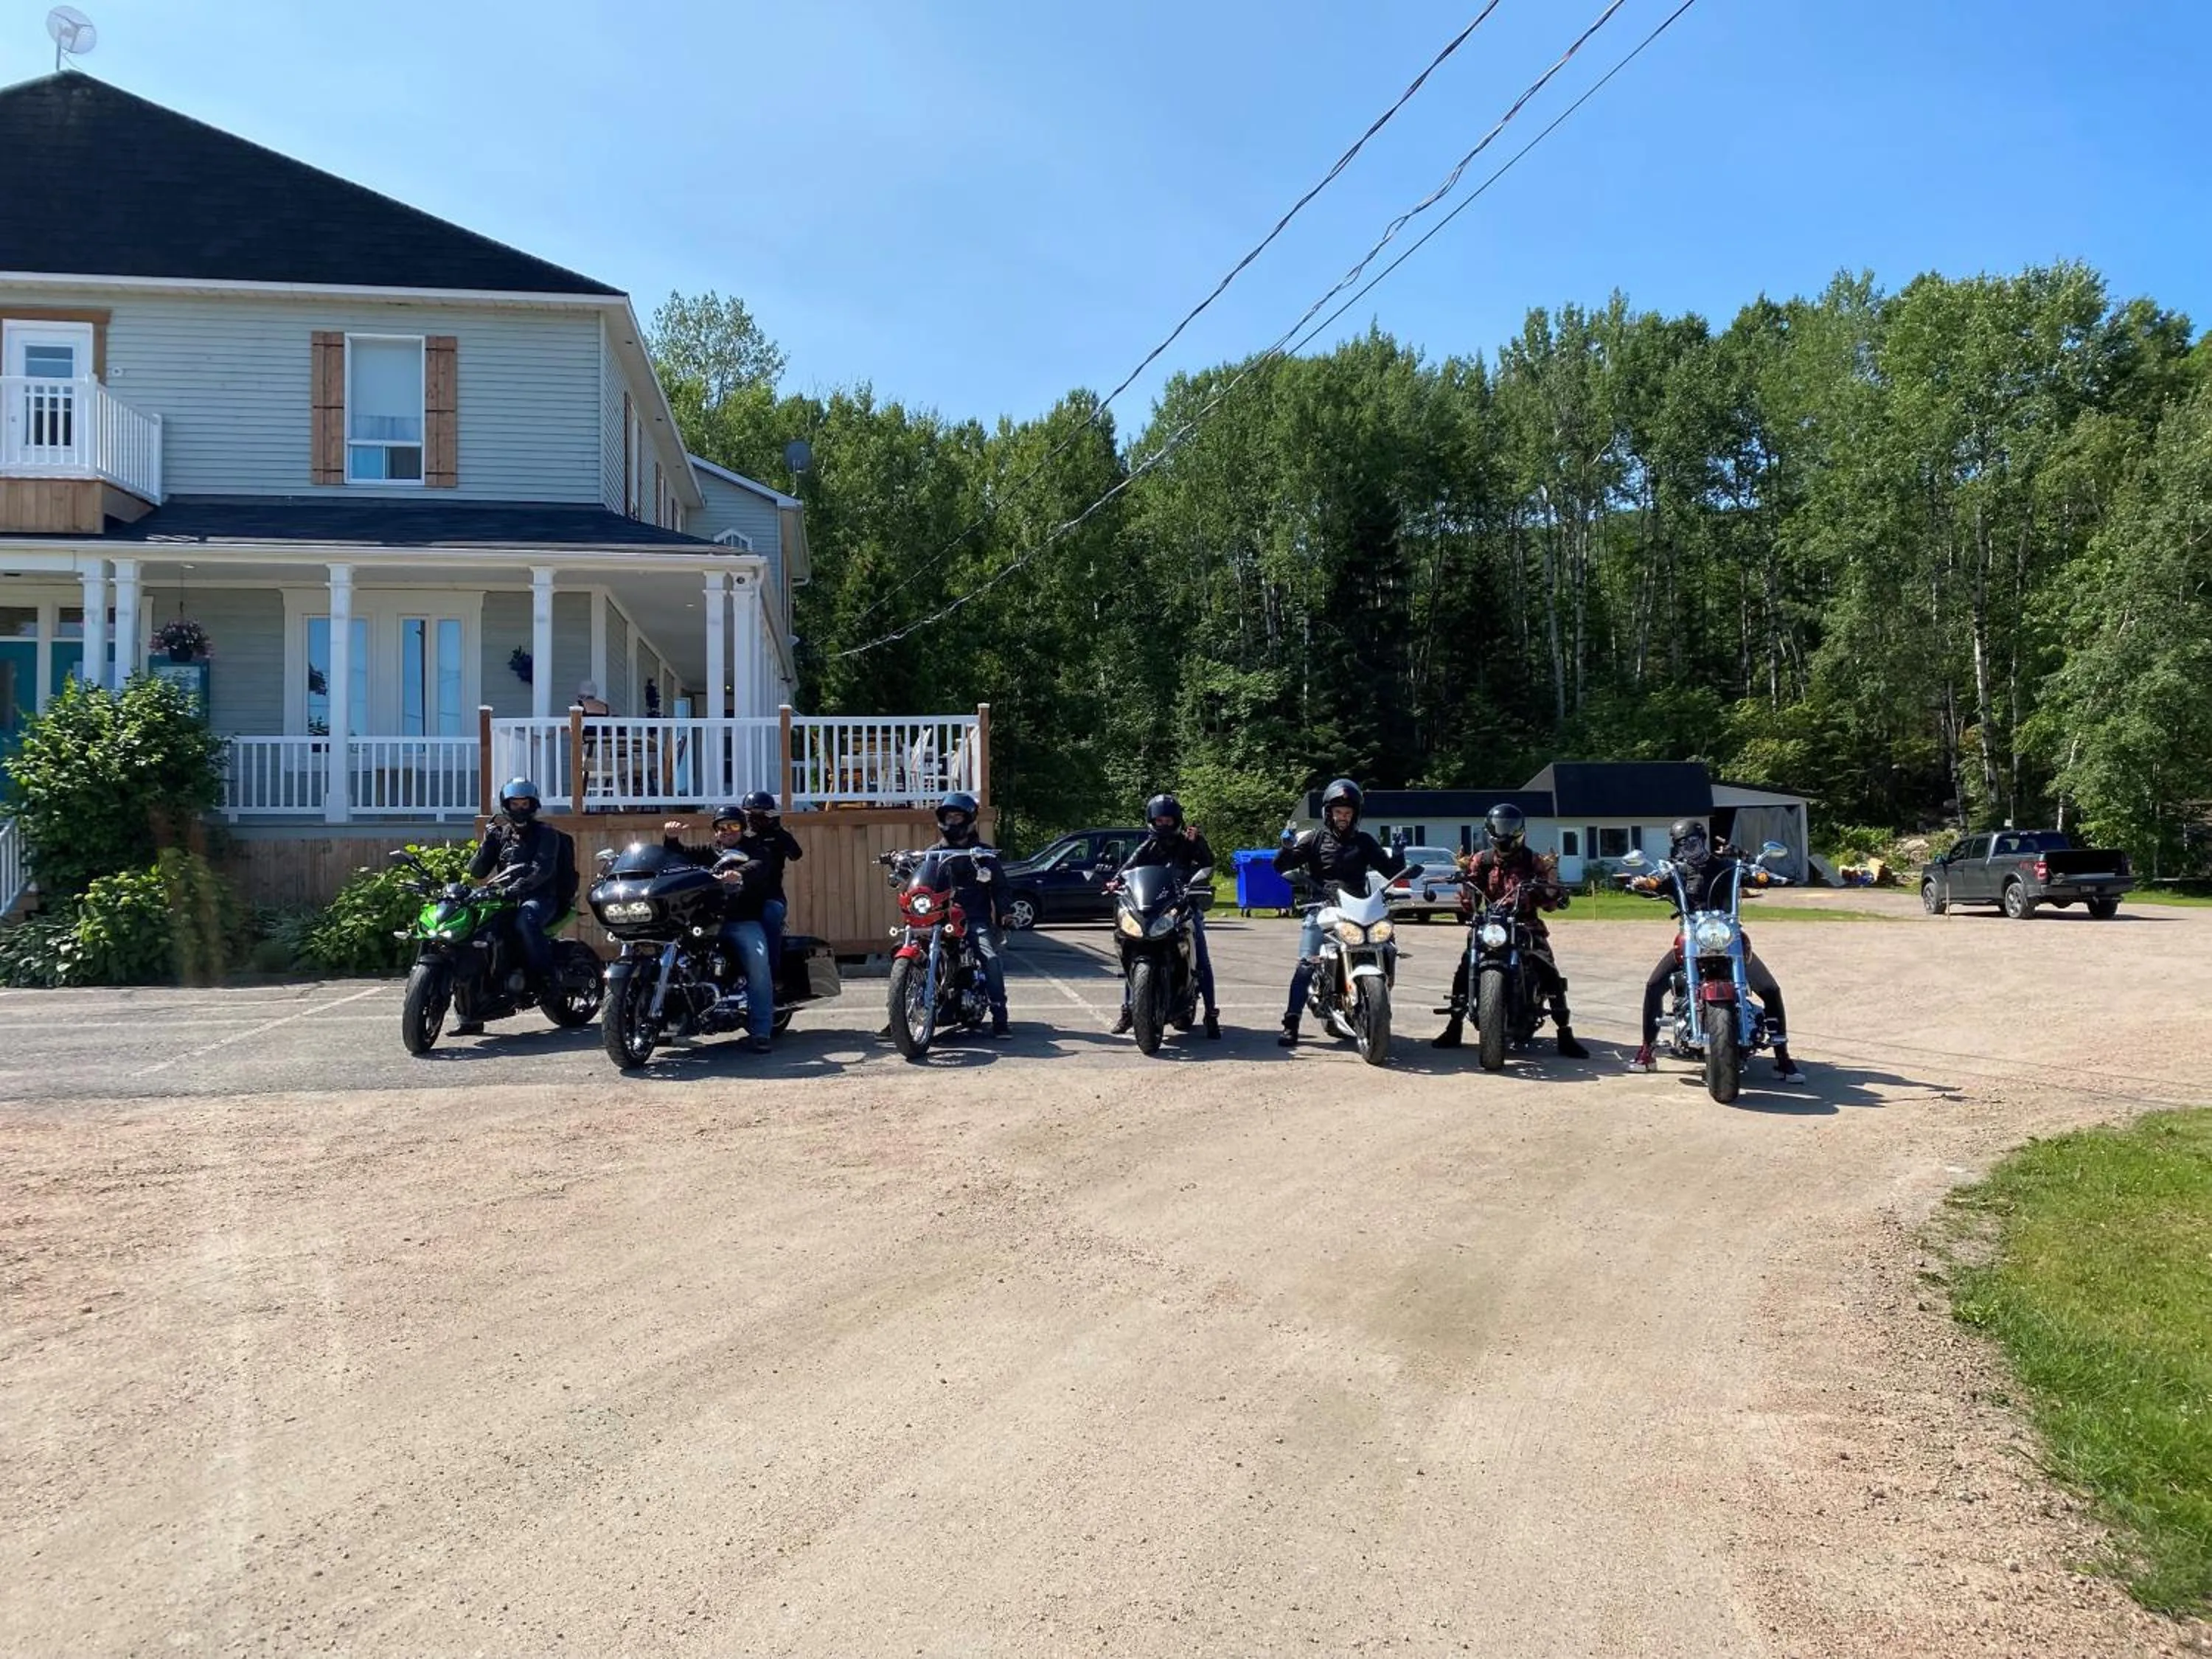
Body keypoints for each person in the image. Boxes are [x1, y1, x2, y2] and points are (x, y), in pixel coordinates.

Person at [1626, 817, 1801, 1082]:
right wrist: (1644, 883)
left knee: (1770, 989)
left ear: (1703, 840)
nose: (1689, 847)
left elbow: (1752, 875)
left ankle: (1783, 1057)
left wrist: (1764, 876)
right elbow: (1655, 881)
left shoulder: (1727, 866)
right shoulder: (1675, 871)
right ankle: (1647, 1049)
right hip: (1694, 937)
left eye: (1693, 842)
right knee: (1653, 985)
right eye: (1682, 844)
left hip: (1726, 936)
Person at [1432, 804, 1589, 1057]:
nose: (1505, 834)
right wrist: (1464, 882)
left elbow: (1549, 903)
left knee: (1547, 966)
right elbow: (1470, 901)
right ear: (1491, 831)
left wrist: (1550, 882)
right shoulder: (1481, 860)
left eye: (1509, 828)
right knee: (1465, 965)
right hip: (1491, 924)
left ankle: (1565, 1033)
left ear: (1520, 830)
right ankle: (1454, 1025)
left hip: (1525, 923)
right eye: (1500, 828)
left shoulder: (1534, 861)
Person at [1271, 778, 1405, 1047]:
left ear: (1355, 815)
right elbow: (1282, 867)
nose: (1343, 817)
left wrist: (1399, 855)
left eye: (1348, 813)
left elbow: (1391, 872)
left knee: (1387, 946)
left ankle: (1375, 1003)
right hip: (1323, 907)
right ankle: (1291, 1023)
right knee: (1307, 964)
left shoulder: (1365, 842)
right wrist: (1285, 849)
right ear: (1328, 813)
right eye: (1338, 812)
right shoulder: (1315, 839)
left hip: (1358, 908)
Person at [661, 804, 776, 1054]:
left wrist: (738, 874)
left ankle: (761, 1030)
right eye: (722, 827)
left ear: (742, 828)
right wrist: (671, 839)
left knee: (758, 961)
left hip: (740, 921)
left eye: (733, 826)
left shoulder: (755, 849)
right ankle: (663, 1022)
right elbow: (678, 858)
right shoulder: (708, 852)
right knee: (671, 959)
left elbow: (758, 866)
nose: (727, 831)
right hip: (702, 922)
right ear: (715, 831)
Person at [1108, 793, 1221, 1040]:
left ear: (1177, 820)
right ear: (1152, 821)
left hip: (1183, 907)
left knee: (1201, 959)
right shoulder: (1148, 845)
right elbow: (1130, 866)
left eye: (1169, 820)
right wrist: (1115, 881)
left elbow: (1207, 864)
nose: (1164, 824)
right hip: (1155, 909)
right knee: (1132, 953)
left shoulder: (1188, 842)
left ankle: (1211, 1014)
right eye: (1159, 821)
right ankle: (1129, 1011)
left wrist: (1197, 844)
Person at [460, 777, 564, 1035]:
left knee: (525, 920)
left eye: (524, 802)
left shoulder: (547, 834)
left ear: (533, 804)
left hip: (541, 897)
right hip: (505, 897)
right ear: (506, 805)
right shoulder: (499, 835)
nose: (520, 807)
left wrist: (519, 888)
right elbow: (477, 870)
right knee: (475, 933)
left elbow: (543, 869)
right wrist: (486, 844)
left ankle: (546, 979)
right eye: (515, 803)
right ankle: (470, 1013)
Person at [922, 790, 1010, 1038]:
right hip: (938, 917)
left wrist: (1004, 911)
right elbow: (921, 882)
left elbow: (1001, 887)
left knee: (990, 958)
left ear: (969, 819)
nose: (952, 822)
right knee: (906, 949)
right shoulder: (933, 853)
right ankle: (900, 1014)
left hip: (973, 917)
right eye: (948, 817)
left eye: (957, 817)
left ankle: (1000, 1017)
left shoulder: (984, 853)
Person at [734, 788, 804, 970]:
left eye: (762, 815)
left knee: (770, 914)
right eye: (751, 815)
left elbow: (796, 854)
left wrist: (778, 830)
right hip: (740, 896)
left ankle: (772, 971)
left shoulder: (777, 836)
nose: (756, 820)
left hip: (771, 896)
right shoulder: (738, 837)